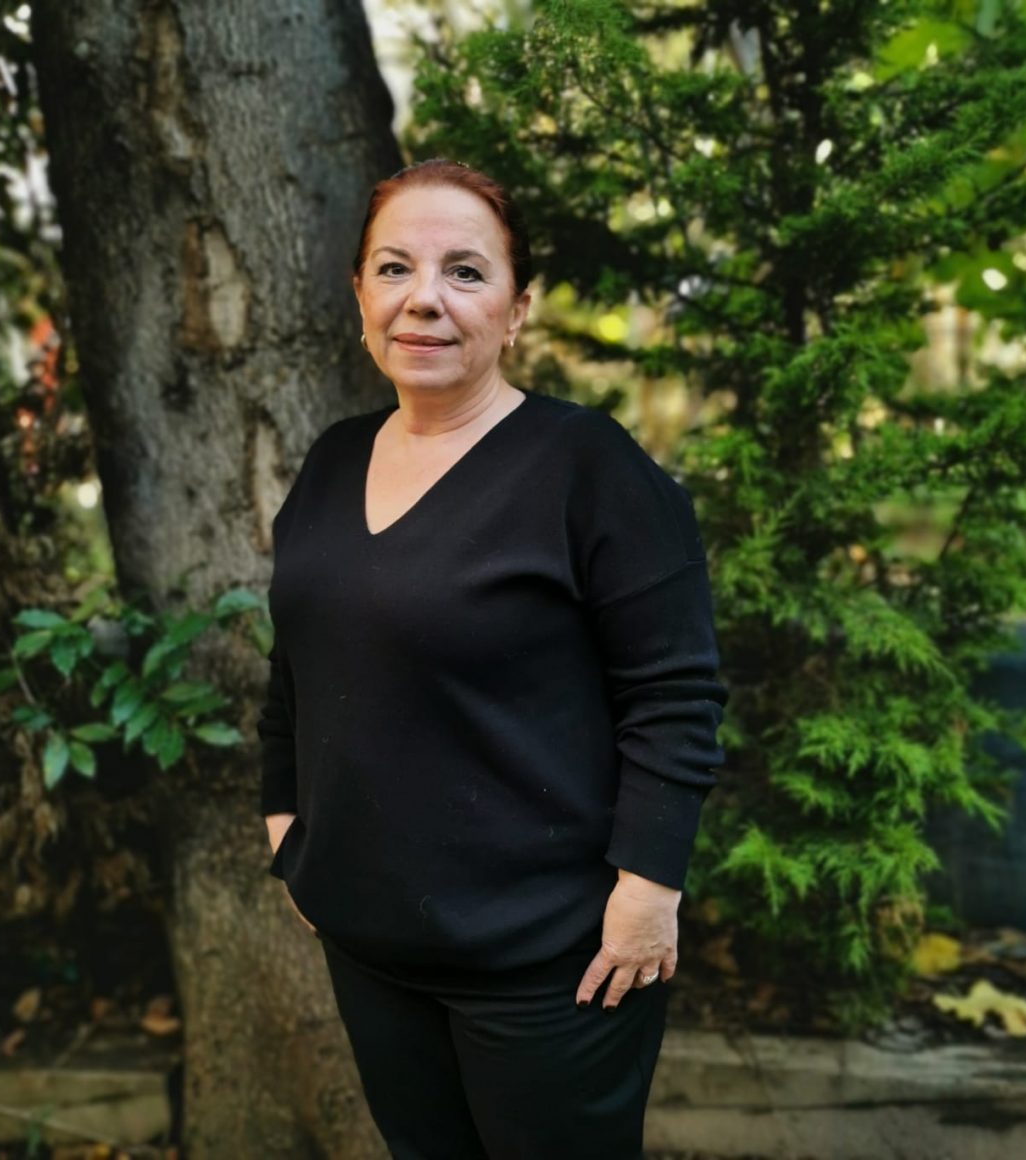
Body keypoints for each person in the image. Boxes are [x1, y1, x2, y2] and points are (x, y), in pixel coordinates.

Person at [257, 158, 727, 1160]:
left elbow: (674, 691)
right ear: (360, 295)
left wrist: (648, 893)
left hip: (552, 960)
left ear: (516, 310)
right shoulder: (333, 460)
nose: (423, 297)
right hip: (370, 945)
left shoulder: (587, 466)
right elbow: (294, 668)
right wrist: (288, 832)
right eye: (394, 268)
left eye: (464, 272)